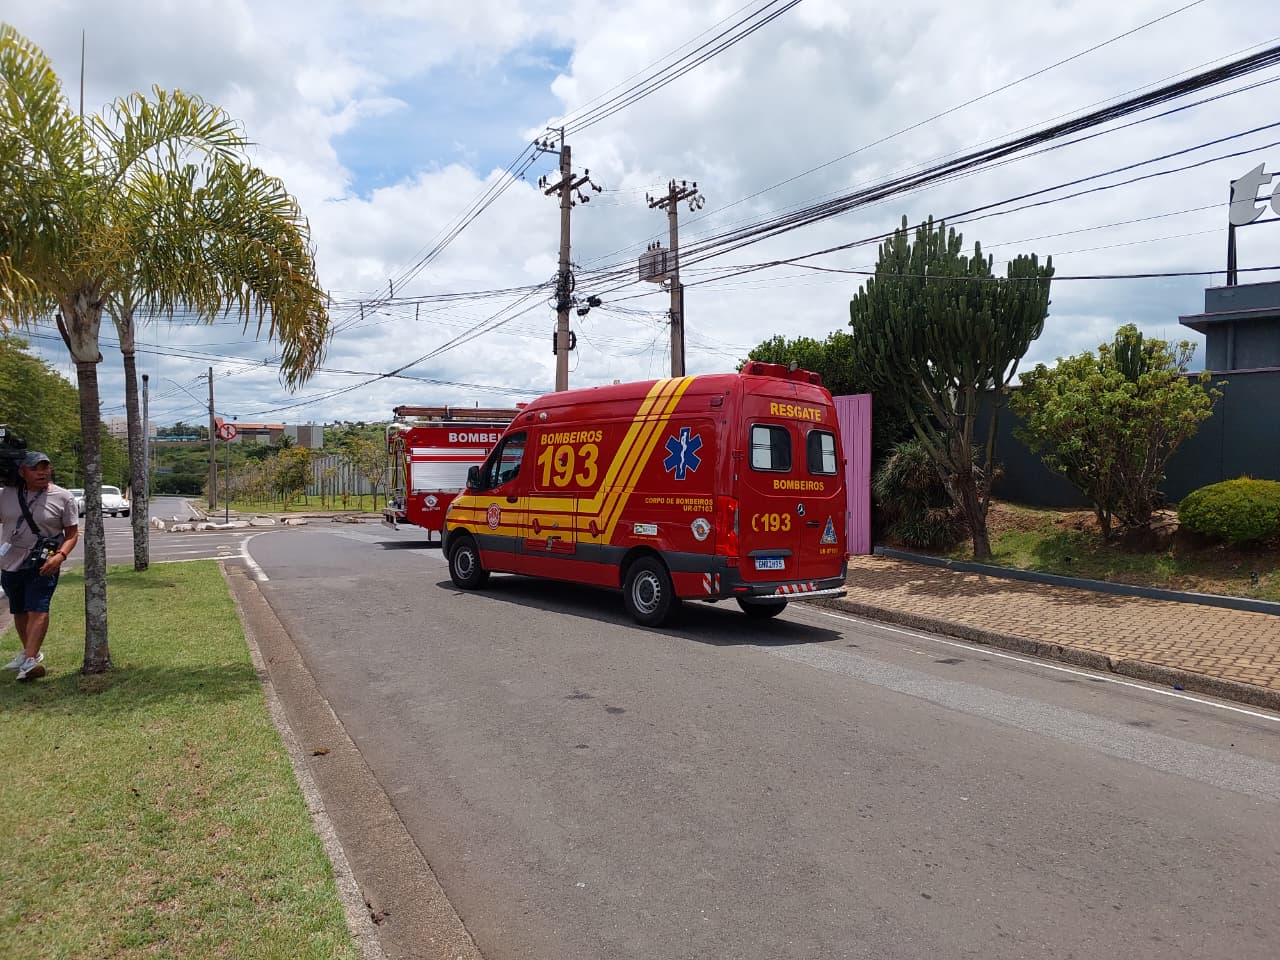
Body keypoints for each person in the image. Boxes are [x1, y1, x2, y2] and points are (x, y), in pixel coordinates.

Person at [1, 451, 79, 682]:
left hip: (44, 563)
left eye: (45, 467)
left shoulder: (63, 497)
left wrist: (61, 556)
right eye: (35, 468)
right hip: (10, 563)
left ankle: (31, 658)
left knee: (38, 609)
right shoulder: (6, 495)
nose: (42, 472)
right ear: (22, 472)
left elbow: (72, 534)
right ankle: (28, 655)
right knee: (19, 610)